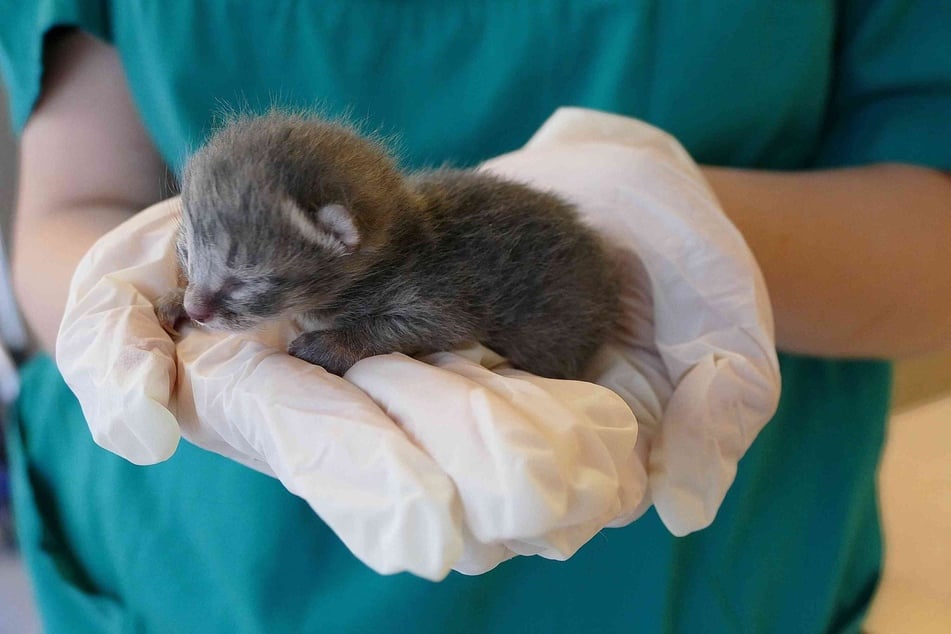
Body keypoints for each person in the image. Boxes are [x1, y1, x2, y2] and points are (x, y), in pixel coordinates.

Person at [2, 2, 949, 632]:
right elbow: (68, 198)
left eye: (234, 292)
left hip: (678, 569)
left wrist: (698, 235)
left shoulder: (386, 262)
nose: (205, 310)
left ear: (339, 238)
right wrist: (115, 309)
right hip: (201, 565)